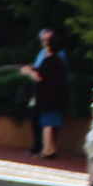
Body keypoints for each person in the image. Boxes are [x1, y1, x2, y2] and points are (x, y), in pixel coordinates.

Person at [21, 28, 68, 158]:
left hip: (48, 96)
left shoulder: (51, 60)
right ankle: (50, 148)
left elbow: (41, 76)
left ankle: (47, 150)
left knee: (47, 123)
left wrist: (28, 72)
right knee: (49, 122)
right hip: (55, 95)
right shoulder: (56, 60)